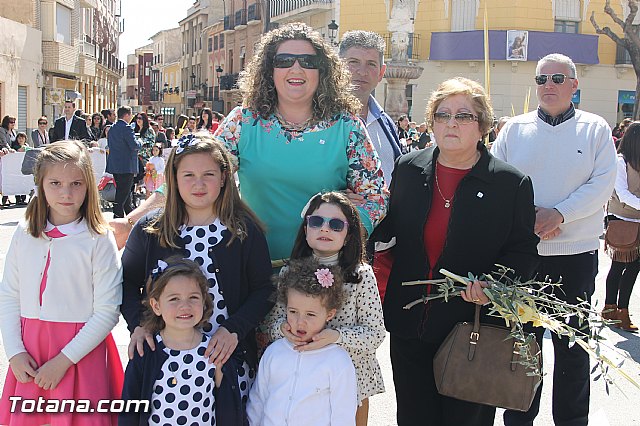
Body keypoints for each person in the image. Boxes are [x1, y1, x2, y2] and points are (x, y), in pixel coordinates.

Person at [372, 77, 539, 426]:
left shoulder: (510, 184)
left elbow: (523, 253)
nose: (451, 123)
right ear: (431, 122)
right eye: (442, 114)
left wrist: (493, 286)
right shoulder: (408, 168)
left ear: (482, 127)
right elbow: (392, 230)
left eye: (464, 116)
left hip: (471, 329)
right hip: (410, 325)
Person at [492, 53, 617, 426]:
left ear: (574, 86)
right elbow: (497, 179)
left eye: (558, 79)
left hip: (575, 255)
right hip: (524, 256)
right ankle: (518, 418)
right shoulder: (514, 129)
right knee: (521, 345)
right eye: (542, 79)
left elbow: (603, 183)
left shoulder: (595, 129)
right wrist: (528, 219)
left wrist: (559, 214)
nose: (549, 86)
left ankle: (572, 420)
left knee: (573, 347)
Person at [121, 135, 274, 416]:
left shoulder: (243, 231)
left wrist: (234, 330)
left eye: (208, 175)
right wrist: (138, 325)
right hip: (165, 359)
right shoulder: (151, 230)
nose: (199, 184)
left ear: (224, 177)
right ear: (174, 178)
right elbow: (127, 284)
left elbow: (265, 290)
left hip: (225, 358)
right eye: (188, 175)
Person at [215, 22, 388, 265]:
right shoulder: (242, 122)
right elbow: (198, 173)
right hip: (254, 271)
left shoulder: (348, 128)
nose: (296, 68)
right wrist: (144, 214)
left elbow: (376, 199)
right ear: (269, 69)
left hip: (325, 276)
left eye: (308, 62)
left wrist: (341, 230)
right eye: (285, 60)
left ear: (322, 71)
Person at [0, 141, 123, 425]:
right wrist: (15, 352)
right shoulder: (24, 233)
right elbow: (9, 296)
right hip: (30, 356)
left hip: (80, 355)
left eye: (76, 183)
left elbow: (107, 312)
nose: (66, 193)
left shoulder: (98, 239)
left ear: (89, 186)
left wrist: (63, 361)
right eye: (55, 183)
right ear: (40, 184)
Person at [267, 191, 385, 426]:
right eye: (317, 221)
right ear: (305, 229)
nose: (325, 229)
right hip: (300, 377)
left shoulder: (360, 276)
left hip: (352, 381)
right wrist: (284, 330)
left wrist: (336, 337)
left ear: (349, 234)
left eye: (336, 224)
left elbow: (375, 334)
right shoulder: (288, 273)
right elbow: (272, 324)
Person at [120, 257, 245, 426]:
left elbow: (228, 410)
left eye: (193, 297)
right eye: (174, 299)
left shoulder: (215, 352)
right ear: (156, 306)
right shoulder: (146, 351)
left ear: (204, 301)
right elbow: (129, 409)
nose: (184, 306)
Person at [249, 258, 358, 426]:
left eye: (310, 314)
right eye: (293, 311)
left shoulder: (337, 360)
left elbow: (343, 414)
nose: (300, 321)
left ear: (330, 314)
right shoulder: (274, 352)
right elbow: (258, 400)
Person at [339, 30, 402, 186]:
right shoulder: (320, 119)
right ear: (337, 66)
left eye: (371, 64)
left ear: (381, 73)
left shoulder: (386, 123)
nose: (362, 71)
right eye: (353, 62)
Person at [603, 121, 640, 332]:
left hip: (636, 220)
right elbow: (623, 195)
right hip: (621, 219)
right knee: (619, 266)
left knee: (634, 267)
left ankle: (620, 310)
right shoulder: (620, 161)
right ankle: (613, 310)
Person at [106, 105, 141, 218]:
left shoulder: (112, 128)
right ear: (126, 115)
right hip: (126, 165)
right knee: (122, 194)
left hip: (116, 165)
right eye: (130, 115)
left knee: (125, 194)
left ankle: (130, 217)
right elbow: (134, 145)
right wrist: (140, 141)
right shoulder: (126, 128)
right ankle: (117, 217)